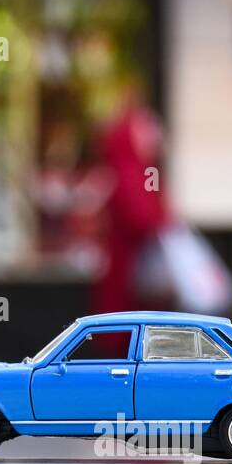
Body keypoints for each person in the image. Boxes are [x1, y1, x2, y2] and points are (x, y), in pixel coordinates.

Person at [89, 100, 171, 315]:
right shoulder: (131, 173)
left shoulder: (138, 171)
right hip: (131, 272)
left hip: (131, 271)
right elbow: (141, 219)